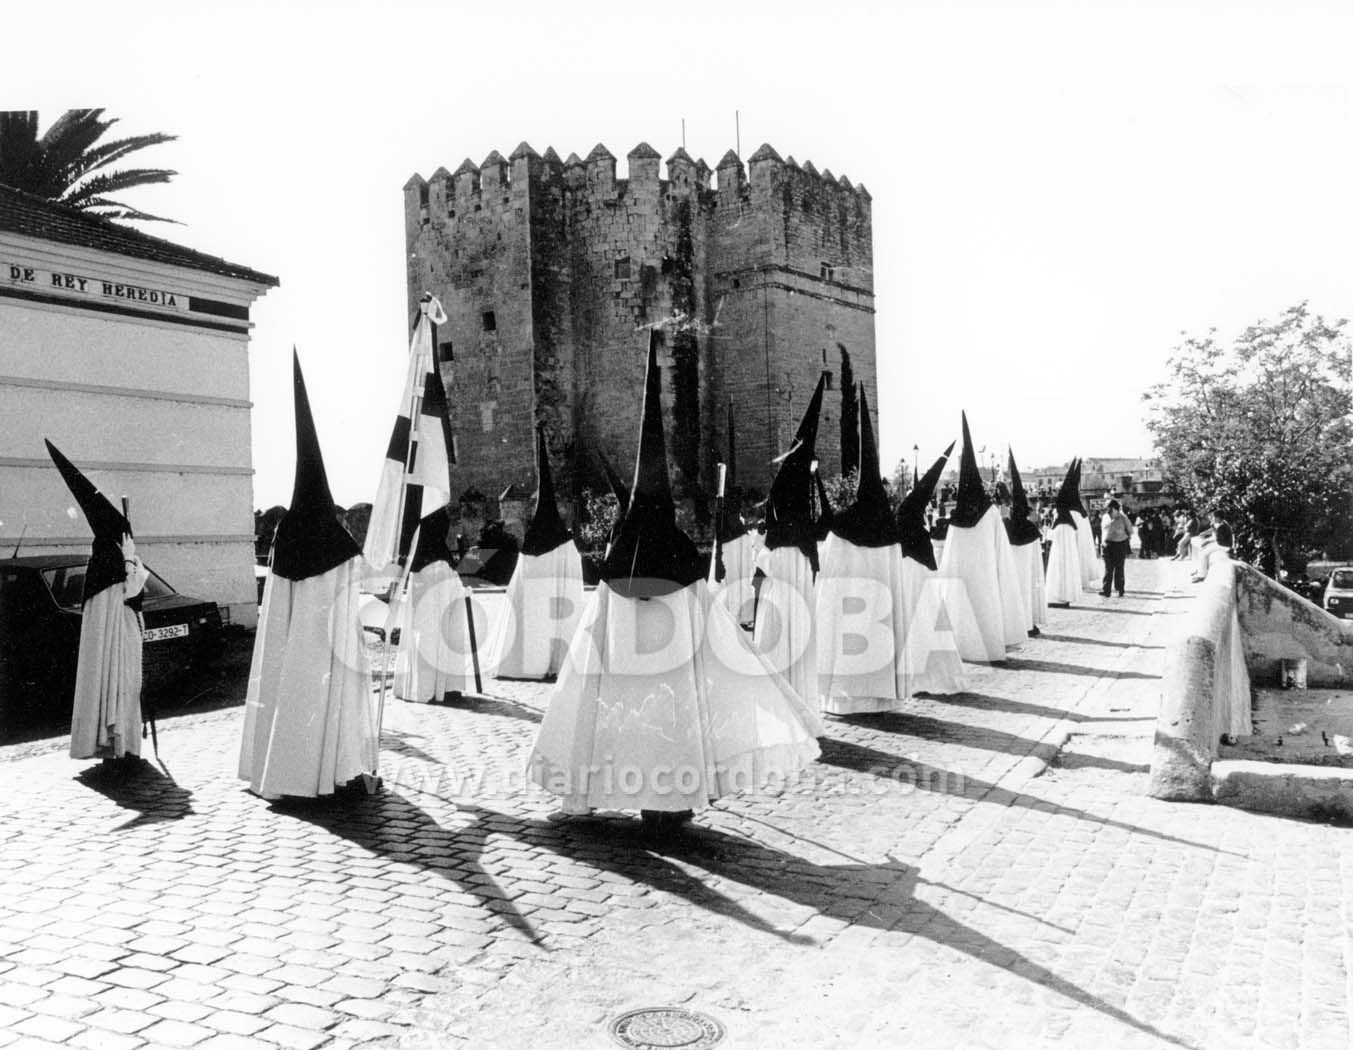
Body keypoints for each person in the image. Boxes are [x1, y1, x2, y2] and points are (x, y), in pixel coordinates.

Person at [1100, 499, 1132, 597]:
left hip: (1119, 544)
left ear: (1114, 508)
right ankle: (1106, 590)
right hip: (1107, 545)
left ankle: (1120, 589)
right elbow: (1104, 530)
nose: (1108, 511)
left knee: (1119, 568)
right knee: (1108, 569)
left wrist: (1122, 535)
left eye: (1109, 509)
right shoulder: (1105, 517)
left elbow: (1130, 530)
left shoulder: (1123, 517)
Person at [1191, 511, 1234, 582]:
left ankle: (1201, 576)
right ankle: (1200, 569)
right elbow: (1213, 530)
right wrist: (1204, 533)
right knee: (1202, 549)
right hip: (1220, 543)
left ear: (1218, 518)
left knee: (1203, 553)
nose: (1212, 518)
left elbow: (1218, 540)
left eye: (1214, 517)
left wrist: (1207, 542)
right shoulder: (1220, 523)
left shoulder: (1223, 526)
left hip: (1224, 546)